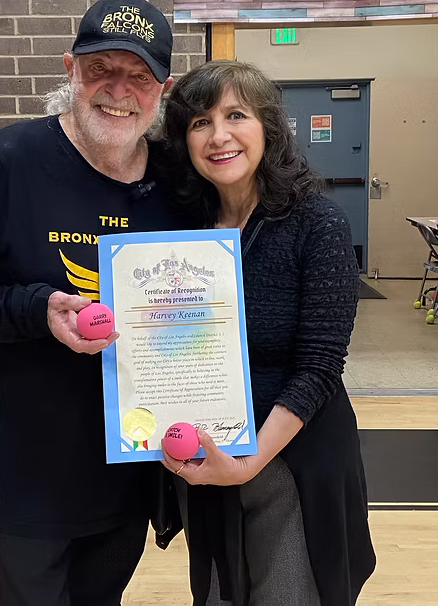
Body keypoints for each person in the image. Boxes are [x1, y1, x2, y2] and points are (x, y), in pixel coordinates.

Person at [0, 0, 178, 606]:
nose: (118, 90)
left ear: (162, 90)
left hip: (129, 466)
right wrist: (35, 311)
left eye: (139, 76)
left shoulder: (174, 179)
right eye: (101, 68)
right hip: (27, 470)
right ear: (70, 70)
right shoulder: (10, 160)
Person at [158, 60, 376, 606]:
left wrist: (249, 462)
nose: (219, 135)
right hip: (205, 459)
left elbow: (320, 367)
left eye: (237, 115)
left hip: (290, 461)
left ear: (269, 128)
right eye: (200, 122)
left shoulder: (317, 224)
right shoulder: (177, 230)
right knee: (217, 594)